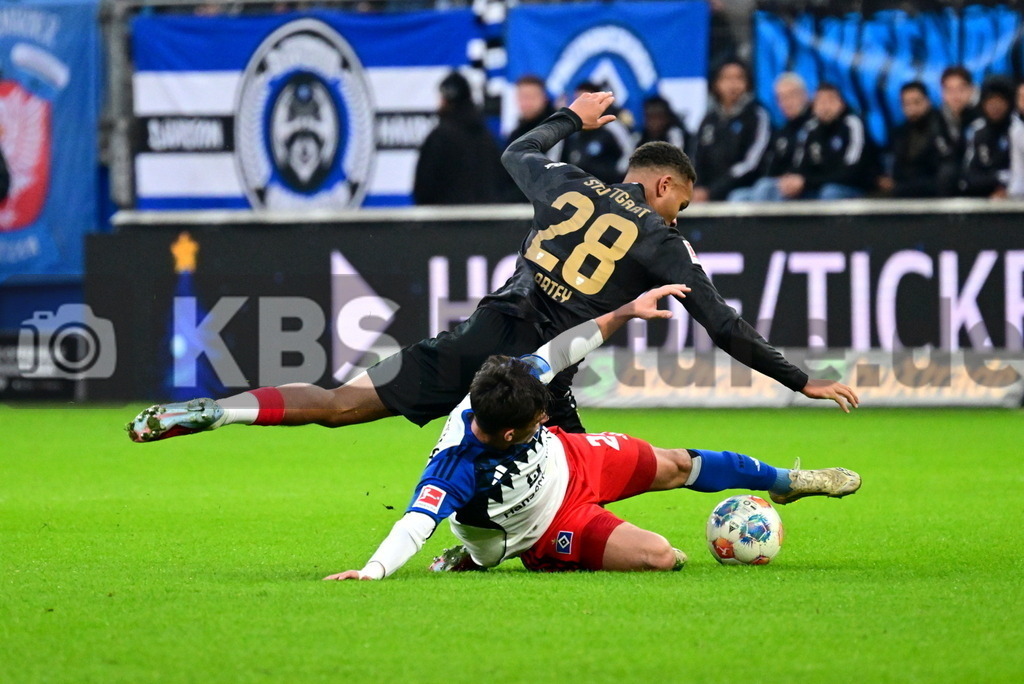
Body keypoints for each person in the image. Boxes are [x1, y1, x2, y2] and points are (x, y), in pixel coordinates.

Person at [126, 91, 859, 445]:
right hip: (537, 365)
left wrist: (570, 114)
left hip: (486, 333)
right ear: (663, 185)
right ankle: (483, 551)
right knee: (578, 478)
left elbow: (517, 154)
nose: (680, 218)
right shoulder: (663, 240)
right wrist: (804, 379)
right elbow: (722, 326)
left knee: (341, 404)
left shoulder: (570, 180)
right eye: (682, 204)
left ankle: (219, 410)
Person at [322, 288, 861, 580]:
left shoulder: (510, 382)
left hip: (572, 460)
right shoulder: (455, 468)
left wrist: (625, 311)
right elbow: (415, 524)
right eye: (537, 420)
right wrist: (370, 573)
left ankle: (785, 480)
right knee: (662, 558)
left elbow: (563, 349)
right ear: (510, 432)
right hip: (542, 525)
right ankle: (476, 559)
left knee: (676, 463)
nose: (544, 417)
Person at [765, 83, 876, 201]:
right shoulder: (810, 129)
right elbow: (800, 166)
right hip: (817, 186)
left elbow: (851, 172)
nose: (825, 106)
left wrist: (807, 182)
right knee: (770, 188)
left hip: (851, 188)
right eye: (820, 102)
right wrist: (792, 180)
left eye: (830, 100)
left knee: (830, 192)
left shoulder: (852, 124)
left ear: (841, 103)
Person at [412, 71, 504, 205]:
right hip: (486, 222)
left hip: (445, 222)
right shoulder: (486, 137)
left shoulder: (439, 137)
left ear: (445, 98)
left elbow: (424, 188)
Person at [691, 60, 770, 202]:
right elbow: (696, 156)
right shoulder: (709, 119)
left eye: (739, 78)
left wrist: (714, 190)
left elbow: (751, 163)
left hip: (743, 188)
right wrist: (698, 187)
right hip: (706, 191)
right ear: (716, 84)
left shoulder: (756, 115)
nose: (733, 85)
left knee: (737, 198)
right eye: (727, 78)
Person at [729, 72, 812, 201]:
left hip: (808, 185)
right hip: (781, 183)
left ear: (804, 95)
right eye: (781, 98)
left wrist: (803, 179)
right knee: (739, 196)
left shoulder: (815, 126)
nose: (787, 102)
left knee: (765, 189)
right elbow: (772, 166)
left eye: (791, 95)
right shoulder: (783, 132)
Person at [878, 81, 955, 198]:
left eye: (916, 102)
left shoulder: (941, 127)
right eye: (906, 104)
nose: (912, 108)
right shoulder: (900, 132)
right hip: (904, 192)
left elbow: (944, 171)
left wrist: (900, 187)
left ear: (927, 101)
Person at [559, 81, 634, 184]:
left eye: (586, 101)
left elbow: (629, 153)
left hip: (608, 188)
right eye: (578, 101)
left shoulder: (611, 125)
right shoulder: (571, 129)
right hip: (578, 190)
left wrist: (617, 177)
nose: (581, 106)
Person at [959, 76, 1015, 199]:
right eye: (990, 101)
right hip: (983, 199)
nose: (995, 106)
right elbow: (967, 178)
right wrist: (996, 179)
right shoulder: (976, 130)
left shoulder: (1018, 130)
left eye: (1000, 100)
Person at [937, 66, 979, 196]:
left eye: (961, 89)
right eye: (949, 90)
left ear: (971, 90)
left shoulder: (983, 119)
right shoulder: (937, 120)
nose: (955, 95)